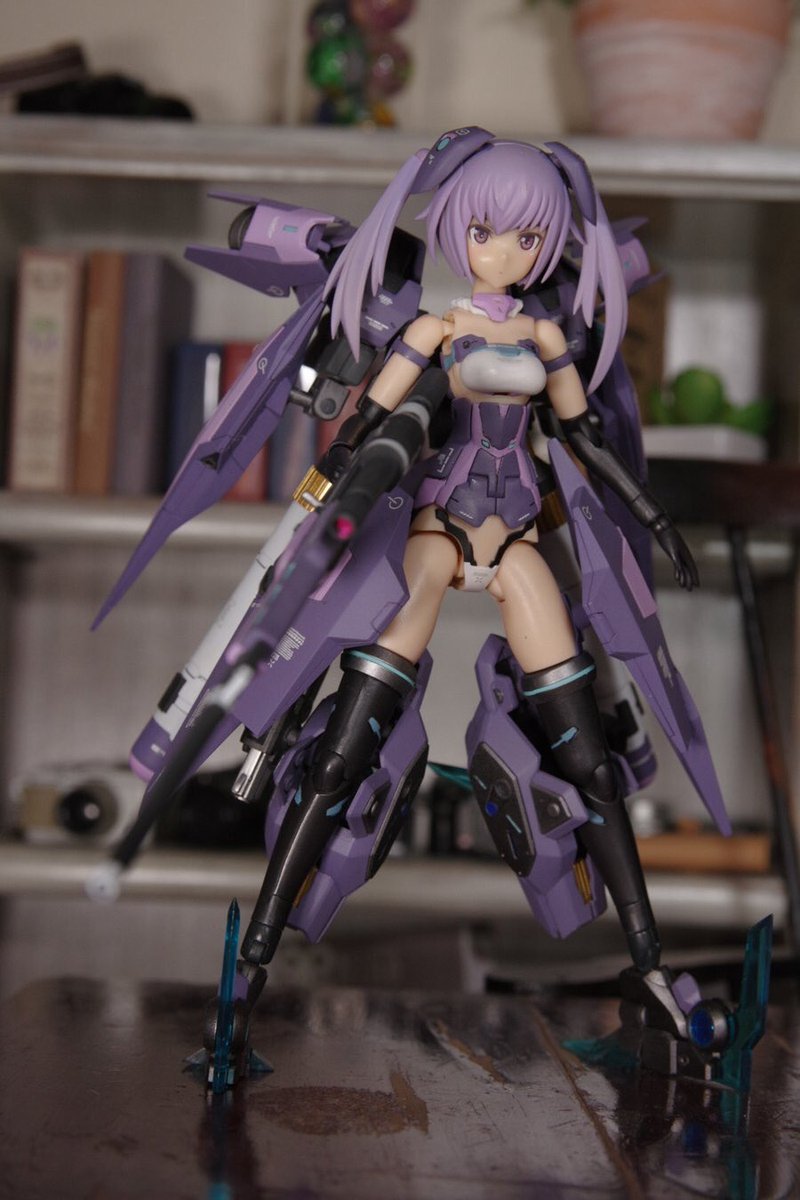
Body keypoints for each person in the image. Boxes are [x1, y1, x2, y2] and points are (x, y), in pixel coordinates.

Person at [239, 132, 698, 979]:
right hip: (436, 532)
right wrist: (332, 481)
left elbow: (583, 438)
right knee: (344, 752)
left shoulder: (546, 334)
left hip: (515, 538)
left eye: (527, 237)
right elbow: (369, 422)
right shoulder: (434, 327)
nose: (503, 252)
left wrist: (651, 517)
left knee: (591, 764)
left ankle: (648, 961)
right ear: (458, 232)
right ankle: (261, 946)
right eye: (485, 232)